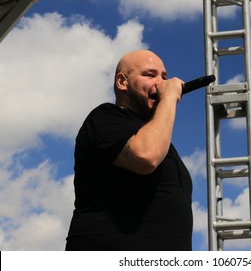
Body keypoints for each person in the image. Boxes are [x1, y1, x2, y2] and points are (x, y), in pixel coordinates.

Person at [65, 49, 193, 251]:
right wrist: (169, 98)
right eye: (150, 75)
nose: (161, 83)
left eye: (164, 77)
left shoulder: (159, 137)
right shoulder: (104, 118)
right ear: (122, 82)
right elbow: (146, 156)